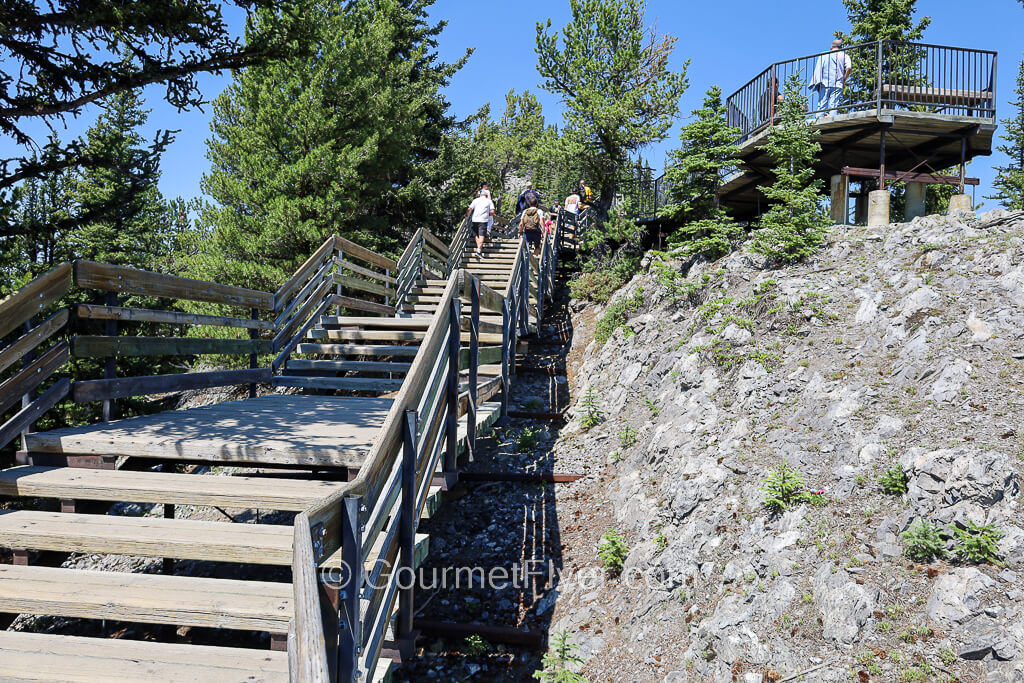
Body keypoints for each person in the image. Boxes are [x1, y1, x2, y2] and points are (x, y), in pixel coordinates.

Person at [810, 38, 852, 117]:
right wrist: (844, 79)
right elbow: (849, 68)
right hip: (837, 83)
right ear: (841, 47)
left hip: (824, 83)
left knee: (822, 104)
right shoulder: (844, 55)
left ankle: (819, 120)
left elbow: (819, 69)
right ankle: (832, 118)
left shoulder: (824, 54)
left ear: (831, 46)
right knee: (834, 105)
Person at [466, 188, 494, 258]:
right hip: (483, 220)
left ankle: (479, 249)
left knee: (476, 234)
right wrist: (487, 214)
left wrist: (466, 215)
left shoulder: (475, 200)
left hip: (475, 219)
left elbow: (469, 209)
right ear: (486, 195)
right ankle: (478, 251)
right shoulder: (489, 201)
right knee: (481, 235)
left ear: (479, 194)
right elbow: (492, 212)